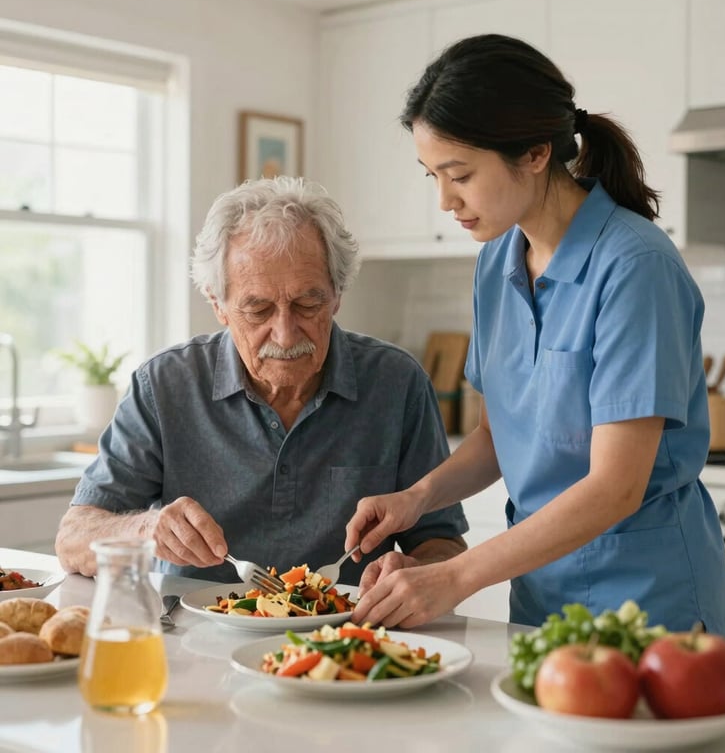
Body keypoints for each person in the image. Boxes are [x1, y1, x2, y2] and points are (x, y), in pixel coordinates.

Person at [345, 34, 725, 636]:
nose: (446, 200)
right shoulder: (496, 261)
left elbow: (616, 488)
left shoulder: (635, 266)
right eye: (433, 176)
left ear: (534, 153)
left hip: (648, 608)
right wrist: (417, 497)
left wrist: (456, 576)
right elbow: (500, 437)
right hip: (541, 601)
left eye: (461, 174)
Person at [55, 176, 468, 581]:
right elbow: (72, 539)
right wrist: (145, 529)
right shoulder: (164, 385)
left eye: (308, 304)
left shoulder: (397, 383)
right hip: (190, 639)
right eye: (258, 311)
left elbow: (440, 542)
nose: (286, 335)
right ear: (218, 304)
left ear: (337, 294)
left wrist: (416, 572)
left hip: (343, 642)